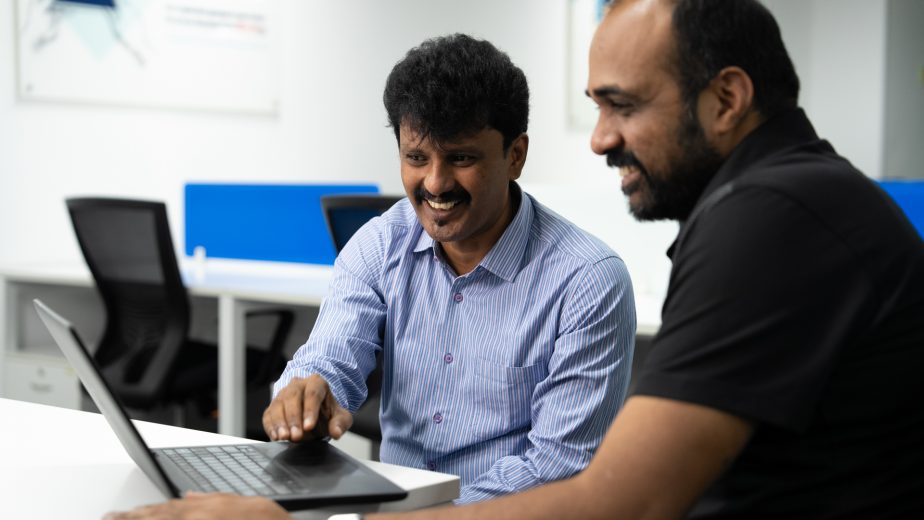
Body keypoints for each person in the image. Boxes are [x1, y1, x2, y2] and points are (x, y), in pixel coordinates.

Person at [104, 0, 924, 519]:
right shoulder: (787, 201)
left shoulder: (773, 219)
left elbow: (619, 500)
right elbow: (330, 361)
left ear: (728, 98)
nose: (600, 137)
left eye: (622, 106)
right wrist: (307, 398)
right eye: (597, 107)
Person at [277, 32, 635, 502]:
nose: (435, 183)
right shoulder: (382, 244)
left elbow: (556, 471)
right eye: (416, 158)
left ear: (515, 156)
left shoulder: (587, 281)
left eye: (461, 158)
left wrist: (415, 515)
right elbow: (329, 357)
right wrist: (307, 398)